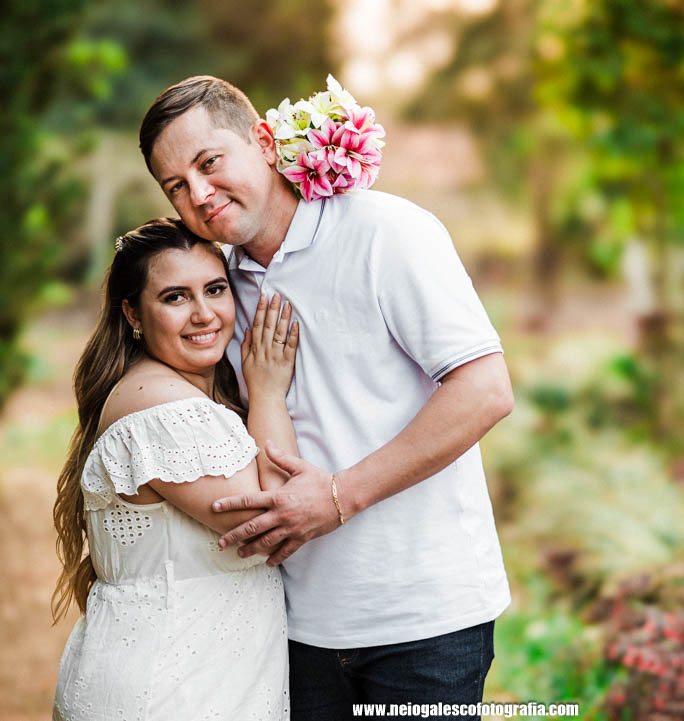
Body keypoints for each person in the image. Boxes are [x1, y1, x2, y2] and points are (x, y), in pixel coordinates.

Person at [139, 76, 515, 720]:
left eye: (209, 163)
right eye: (175, 185)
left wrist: (340, 496)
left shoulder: (385, 232)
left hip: (422, 621)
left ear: (264, 141)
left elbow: (485, 390)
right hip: (294, 626)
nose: (198, 194)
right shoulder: (218, 287)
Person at [51, 217, 301, 720]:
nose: (203, 314)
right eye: (175, 297)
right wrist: (269, 392)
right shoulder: (161, 406)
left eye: (215, 289)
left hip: (195, 678)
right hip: (173, 691)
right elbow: (271, 520)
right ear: (133, 313)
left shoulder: (175, 394)